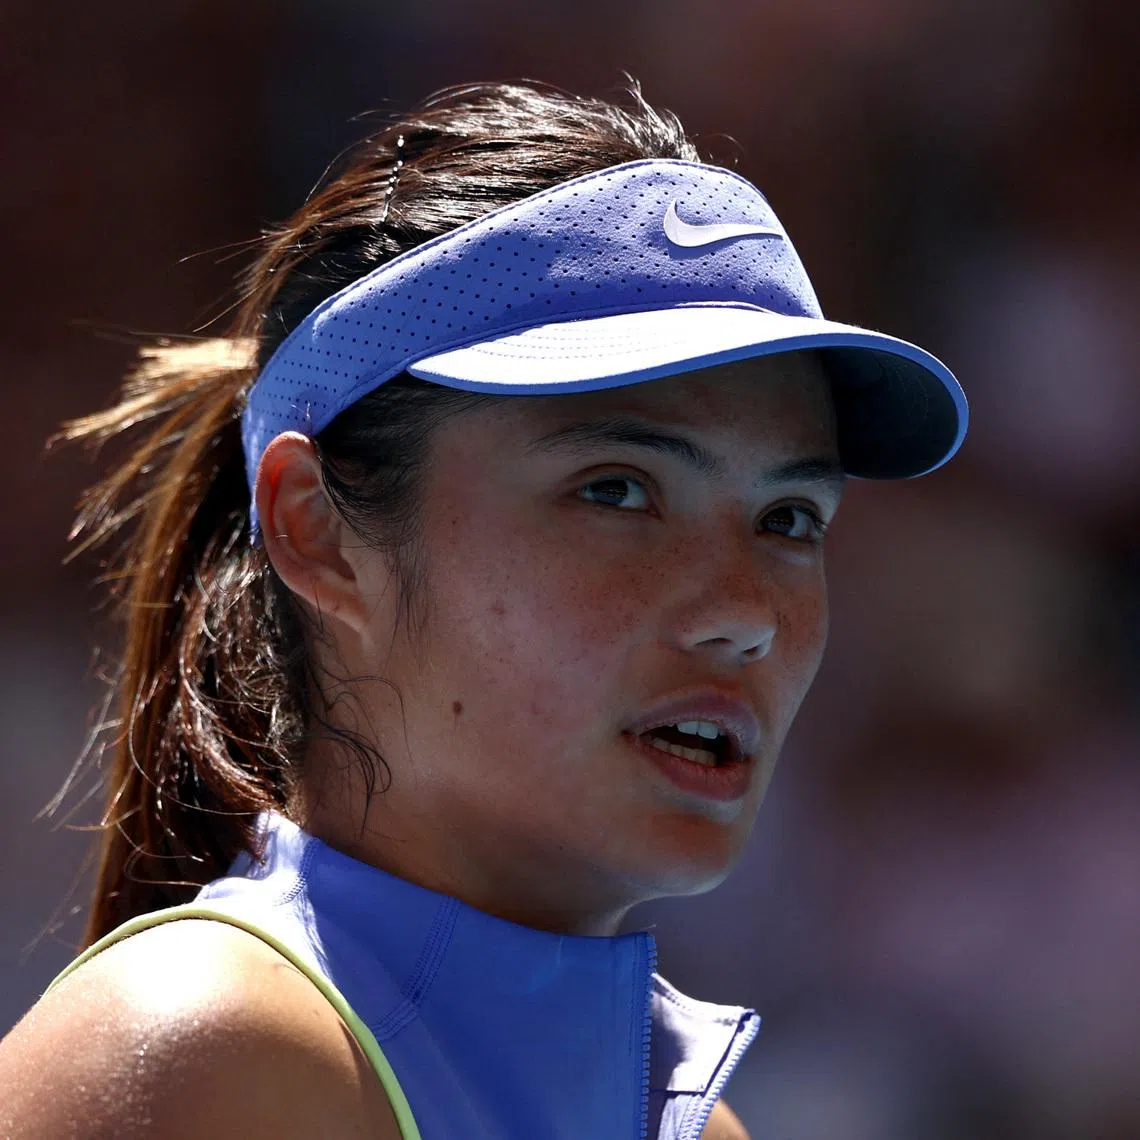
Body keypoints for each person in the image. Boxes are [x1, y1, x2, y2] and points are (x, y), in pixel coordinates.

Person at [0, 82, 966, 1139]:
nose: (746, 612)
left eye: (789, 517)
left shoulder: (702, 1125)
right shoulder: (203, 1052)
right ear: (317, 530)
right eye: (616, 488)